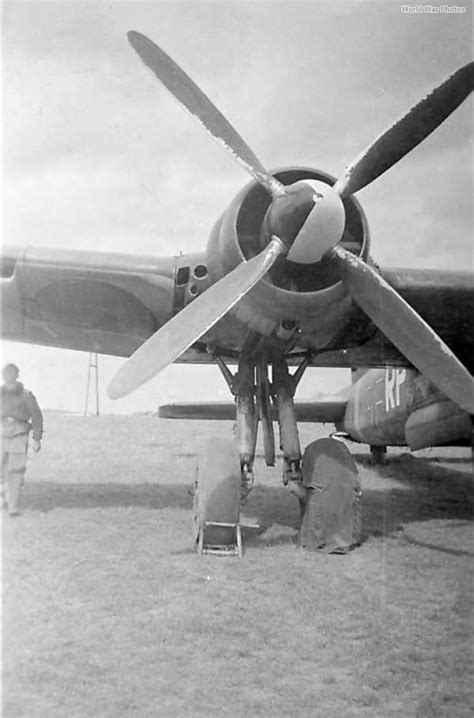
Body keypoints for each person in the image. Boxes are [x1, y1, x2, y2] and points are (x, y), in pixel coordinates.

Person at [299, 436, 361, 553]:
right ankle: (341, 541)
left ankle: (317, 540)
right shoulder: (343, 454)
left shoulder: (314, 450)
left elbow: (305, 484)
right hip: (344, 497)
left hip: (322, 493)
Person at [1, 363, 43, 516]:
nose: (9, 379)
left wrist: (36, 439)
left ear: (17, 376)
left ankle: (13, 505)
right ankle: (2, 498)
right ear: (3, 377)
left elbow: (37, 416)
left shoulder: (26, 395)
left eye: (12, 376)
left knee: (16, 470)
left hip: (19, 435)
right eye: (7, 376)